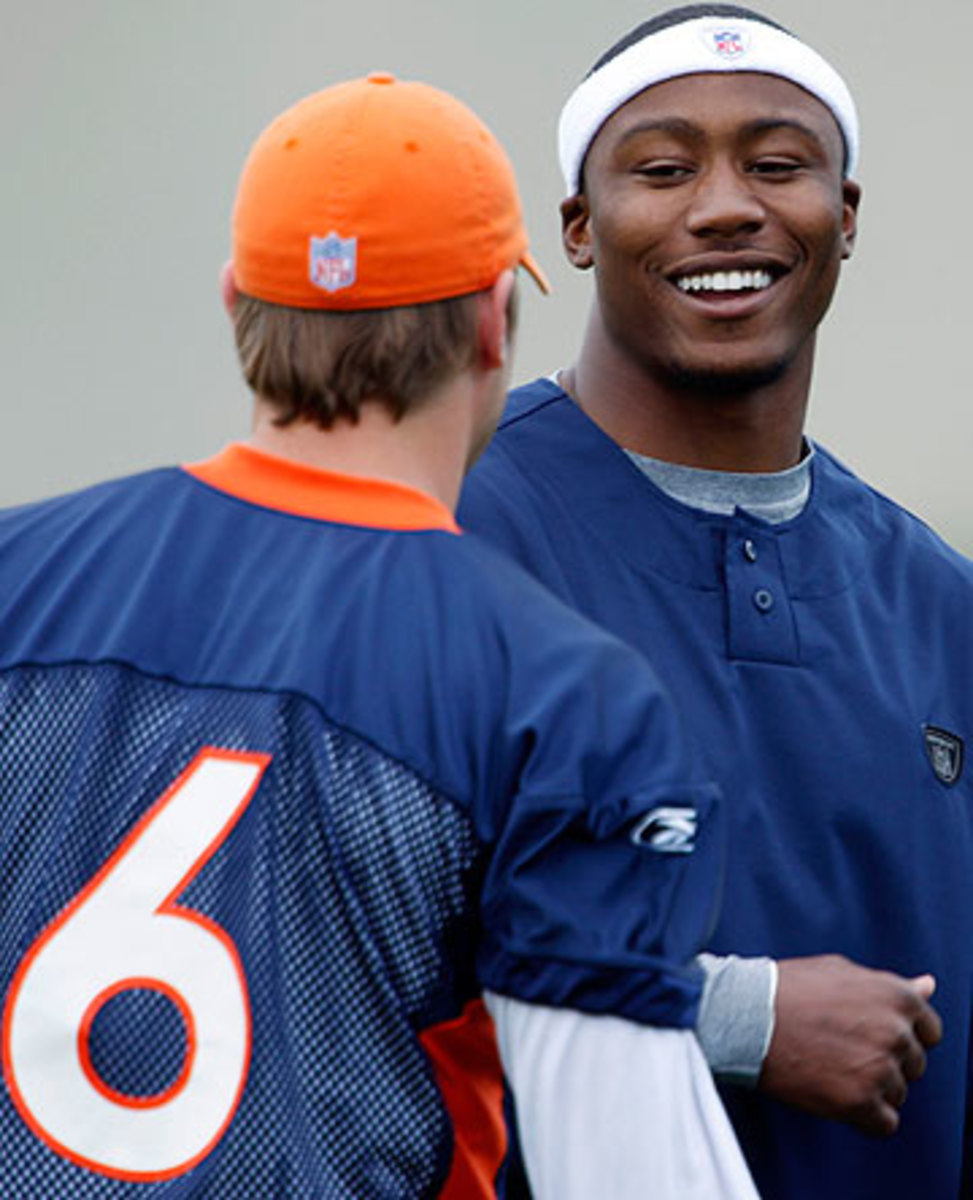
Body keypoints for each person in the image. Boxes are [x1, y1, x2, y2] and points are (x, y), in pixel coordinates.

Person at [0, 72, 759, 1198]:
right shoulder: (554, 691)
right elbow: (628, 1170)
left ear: (234, 302)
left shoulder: (20, 572)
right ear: (495, 321)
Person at [459, 6, 972, 1198]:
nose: (727, 204)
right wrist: (733, 1017)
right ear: (579, 229)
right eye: (663, 167)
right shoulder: (457, 533)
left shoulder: (934, 598)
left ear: (844, 215)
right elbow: (345, 944)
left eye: (779, 163)